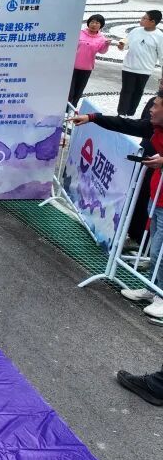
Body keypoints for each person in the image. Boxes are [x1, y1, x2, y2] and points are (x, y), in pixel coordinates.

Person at [72, 94, 163, 320]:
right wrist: (92, 118)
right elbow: (124, 124)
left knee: (160, 250)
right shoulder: (153, 128)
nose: (151, 109)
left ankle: (162, 297)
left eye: (156, 106)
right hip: (156, 197)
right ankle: (153, 289)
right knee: (155, 248)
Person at [116, 10, 163, 116]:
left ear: (152, 22)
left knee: (137, 92)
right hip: (128, 67)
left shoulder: (160, 36)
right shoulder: (135, 31)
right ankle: (121, 114)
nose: (141, 20)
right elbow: (126, 44)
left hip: (144, 70)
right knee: (126, 91)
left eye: (144, 18)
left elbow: (162, 56)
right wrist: (122, 46)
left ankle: (130, 114)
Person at [69, 15, 109, 108]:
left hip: (86, 68)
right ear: (88, 23)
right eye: (92, 22)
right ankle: (66, 110)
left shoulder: (101, 38)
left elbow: (102, 51)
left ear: (101, 25)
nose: (94, 25)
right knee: (70, 91)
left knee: (78, 92)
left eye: (97, 23)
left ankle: (72, 109)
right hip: (72, 67)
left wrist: (106, 45)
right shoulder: (79, 33)